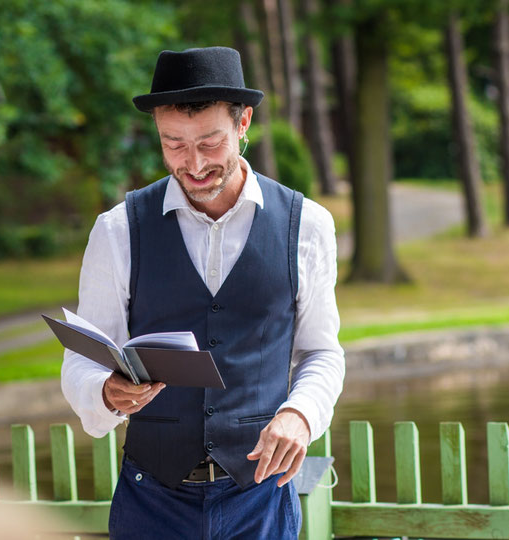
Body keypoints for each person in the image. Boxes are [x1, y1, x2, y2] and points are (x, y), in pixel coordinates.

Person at [61, 46, 344, 540]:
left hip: (261, 497)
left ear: (243, 123)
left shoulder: (308, 226)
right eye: (174, 144)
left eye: (210, 143)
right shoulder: (117, 230)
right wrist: (103, 391)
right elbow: (82, 358)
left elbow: (321, 351)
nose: (193, 164)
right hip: (150, 500)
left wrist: (300, 415)